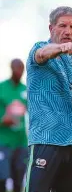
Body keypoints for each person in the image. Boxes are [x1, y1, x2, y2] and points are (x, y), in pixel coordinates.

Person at [25, 6, 72, 192]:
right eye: (62, 26)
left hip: (71, 144)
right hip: (45, 139)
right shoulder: (40, 49)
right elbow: (43, 54)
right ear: (51, 28)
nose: (68, 31)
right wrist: (59, 48)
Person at [0, 59, 27, 192]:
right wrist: (3, 120)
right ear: (11, 68)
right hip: (3, 141)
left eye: (21, 68)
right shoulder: (2, 88)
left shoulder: (25, 90)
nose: (19, 71)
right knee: (2, 178)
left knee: (19, 179)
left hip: (21, 142)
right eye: (16, 68)